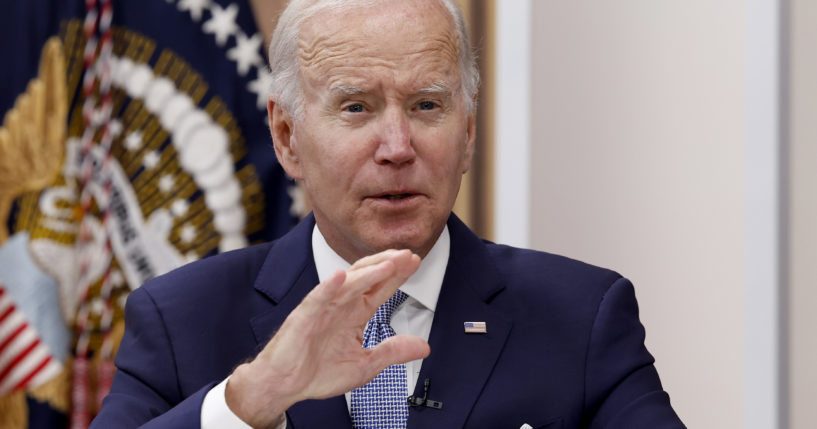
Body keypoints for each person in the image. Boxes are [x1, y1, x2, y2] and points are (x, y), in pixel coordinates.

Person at [93, 0, 686, 428]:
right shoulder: (180, 319)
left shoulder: (583, 316)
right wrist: (246, 404)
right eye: (356, 107)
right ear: (286, 136)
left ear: (469, 131)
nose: (398, 146)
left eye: (427, 105)